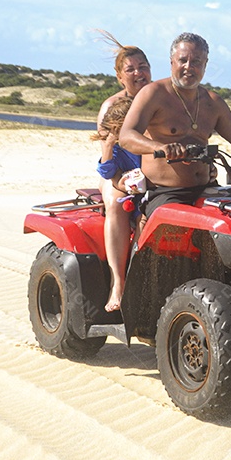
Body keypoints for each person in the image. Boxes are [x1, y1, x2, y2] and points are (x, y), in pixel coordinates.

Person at [119, 31, 231, 214]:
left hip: (207, 189)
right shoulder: (153, 94)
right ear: (172, 62)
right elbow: (127, 137)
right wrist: (160, 147)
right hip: (166, 192)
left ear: (205, 65)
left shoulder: (213, 103)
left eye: (196, 62)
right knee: (178, 226)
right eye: (183, 60)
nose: (188, 67)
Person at [95, 31, 151, 312]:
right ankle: (118, 284)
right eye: (131, 69)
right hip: (120, 174)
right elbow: (107, 165)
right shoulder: (112, 108)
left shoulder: (163, 100)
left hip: (155, 174)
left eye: (143, 66)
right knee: (117, 205)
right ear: (120, 76)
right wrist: (122, 182)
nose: (139, 72)